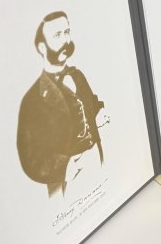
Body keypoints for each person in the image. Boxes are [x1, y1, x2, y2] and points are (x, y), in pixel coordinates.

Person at [17, 11, 109, 197]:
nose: (66, 41)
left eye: (67, 32)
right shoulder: (33, 98)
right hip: (65, 180)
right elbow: (29, 156)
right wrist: (64, 167)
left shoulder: (77, 75)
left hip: (95, 160)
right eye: (57, 35)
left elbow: (90, 103)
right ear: (42, 47)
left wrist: (98, 113)